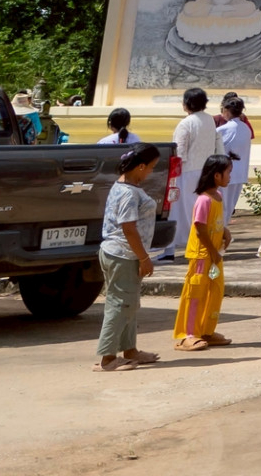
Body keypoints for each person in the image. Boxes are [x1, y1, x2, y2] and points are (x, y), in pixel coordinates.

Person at [95, 144, 162, 371]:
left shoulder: (127, 187)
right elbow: (128, 228)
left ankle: (129, 349)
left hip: (125, 253)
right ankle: (108, 358)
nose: (151, 172)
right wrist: (144, 258)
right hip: (122, 253)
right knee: (120, 303)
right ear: (141, 166)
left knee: (129, 303)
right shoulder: (127, 193)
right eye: (150, 168)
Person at [171, 154, 232, 350]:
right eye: (228, 172)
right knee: (195, 294)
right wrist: (212, 251)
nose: (230, 176)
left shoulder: (218, 197)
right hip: (202, 256)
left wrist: (225, 231)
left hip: (214, 256)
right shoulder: (204, 200)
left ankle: (206, 329)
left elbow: (216, 222)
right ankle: (188, 334)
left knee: (214, 292)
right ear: (216, 175)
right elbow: (200, 227)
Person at [166, 87, 215, 260]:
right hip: (205, 171)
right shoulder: (210, 120)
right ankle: (195, 245)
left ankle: (169, 249)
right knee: (199, 210)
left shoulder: (186, 123)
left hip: (186, 172)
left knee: (178, 211)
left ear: (186, 103)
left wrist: (172, 174)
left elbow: (179, 152)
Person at [214, 93, 254, 214]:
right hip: (240, 174)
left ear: (226, 110)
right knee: (229, 208)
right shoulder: (246, 129)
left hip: (225, 174)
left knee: (221, 208)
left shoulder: (223, 129)